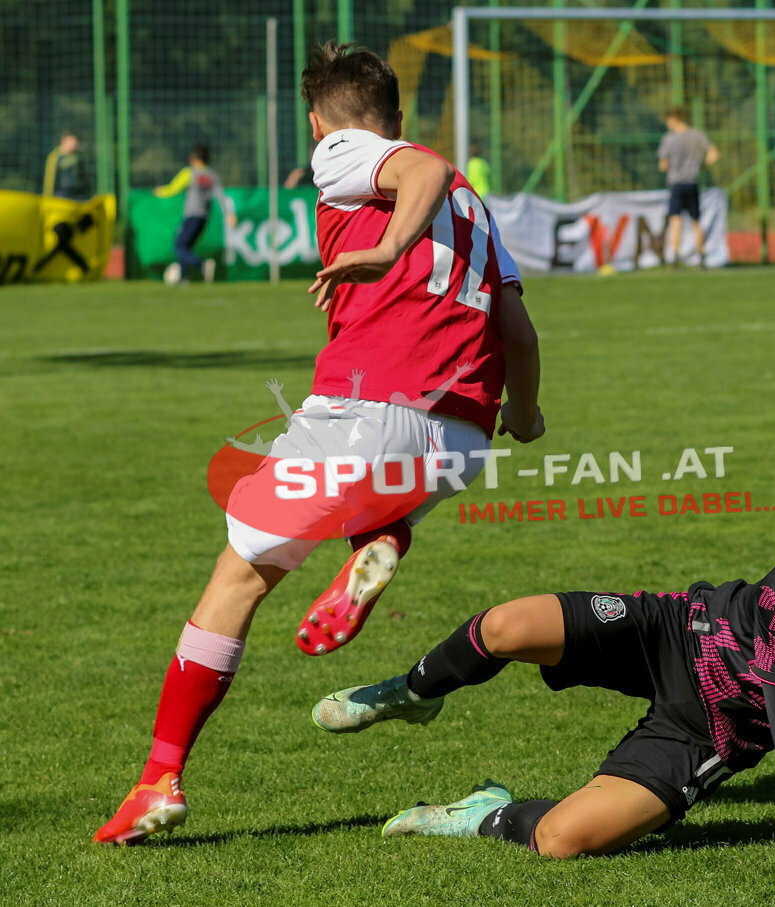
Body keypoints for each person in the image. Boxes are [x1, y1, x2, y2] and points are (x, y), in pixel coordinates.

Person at [94, 41, 544, 845]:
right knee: (381, 493)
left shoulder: (344, 152)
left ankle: (158, 779)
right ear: (398, 110)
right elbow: (519, 328)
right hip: (463, 434)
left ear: (317, 123)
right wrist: (529, 412)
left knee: (237, 578)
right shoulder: (476, 208)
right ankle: (384, 537)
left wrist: (386, 248)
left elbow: (424, 168)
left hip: (368, 409)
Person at [313, 497, 775, 891]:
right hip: (673, 633)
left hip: (711, 728)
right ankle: (416, 692)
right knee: (506, 625)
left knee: (563, 840)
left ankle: (483, 812)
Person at [154, 143, 238, 285]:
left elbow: (173, 188)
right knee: (185, 246)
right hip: (204, 217)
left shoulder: (190, 173)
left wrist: (159, 192)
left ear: (194, 158)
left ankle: (202, 264)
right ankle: (183, 277)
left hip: (192, 215)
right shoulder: (211, 175)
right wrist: (229, 213)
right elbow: (220, 195)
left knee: (179, 245)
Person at [657, 107, 718, 267]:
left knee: (675, 220)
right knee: (696, 221)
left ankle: (675, 257)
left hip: (676, 184)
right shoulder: (697, 135)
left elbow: (663, 165)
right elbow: (713, 153)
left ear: (673, 119)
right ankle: (701, 256)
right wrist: (703, 165)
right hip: (692, 182)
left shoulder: (669, 139)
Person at [43, 131, 90, 201]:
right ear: (63, 141)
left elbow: (84, 178)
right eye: (70, 142)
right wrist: (49, 195)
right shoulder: (54, 157)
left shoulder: (77, 158)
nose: (73, 145)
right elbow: (50, 180)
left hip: (79, 194)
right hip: (62, 194)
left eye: (74, 142)